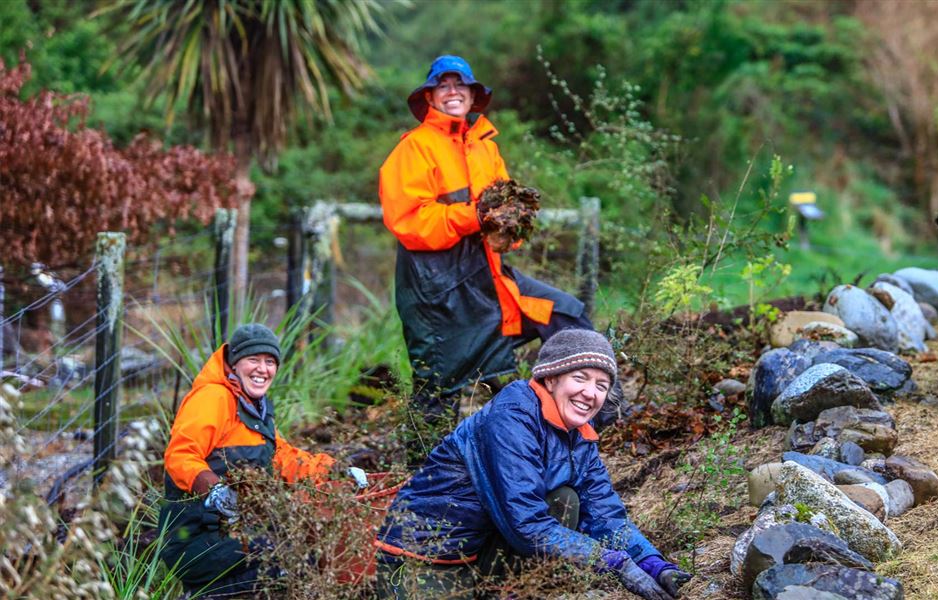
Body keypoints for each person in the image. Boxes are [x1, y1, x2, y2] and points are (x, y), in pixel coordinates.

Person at [378, 55, 621, 426]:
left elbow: (504, 211)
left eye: (461, 85)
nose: (453, 91)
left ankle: (596, 419)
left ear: (474, 96)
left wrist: (511, 226)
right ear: (430, 96)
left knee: (565, 314)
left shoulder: (484, 145)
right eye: (443, 85)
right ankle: (423, 473)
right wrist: (473, 215)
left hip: (487, 278)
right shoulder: (414, 148)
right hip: (437, 291)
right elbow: (409, 221)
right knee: (438, 380)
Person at [374, 329, 692, 599]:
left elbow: (607, 516)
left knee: (564, 500)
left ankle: (507, 590)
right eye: (580, 378)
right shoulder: (513, 414)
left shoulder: (580, 436)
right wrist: (613, 562)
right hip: (423, 555)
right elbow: (527, 526)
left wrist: (655, 566)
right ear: (550, 379)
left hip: (481, 552)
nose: (590, 393)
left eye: (601, 385)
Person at [159, 323, 365, 597]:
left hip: (233, 532)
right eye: (253, 360)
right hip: (193, 540)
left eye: (270, 361)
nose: (262, 369)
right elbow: (180, 454)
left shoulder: (257, 407)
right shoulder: (213, 398)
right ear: (235, 364)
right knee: (279, 557)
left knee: (302, 550)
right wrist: (214, 489)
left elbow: (283, 457)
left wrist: (337, 470)